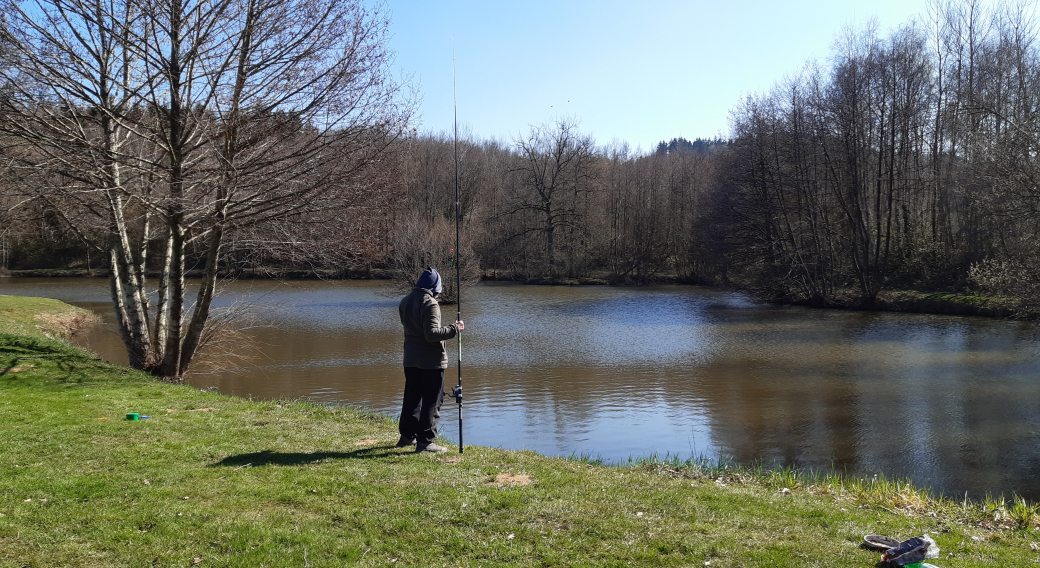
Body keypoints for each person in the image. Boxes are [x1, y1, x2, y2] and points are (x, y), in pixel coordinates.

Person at [397, 267, 464, 453]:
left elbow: (414, 330)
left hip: (410, 359)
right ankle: (426, 442)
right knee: (433, 400)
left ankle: (407, 436)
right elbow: (431, 334)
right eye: (439, 289)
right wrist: (454, 328)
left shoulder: (405, 301)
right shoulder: (430, 303)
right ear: (435, 287)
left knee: (412, 398)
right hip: (430, 362)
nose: (440, 293)